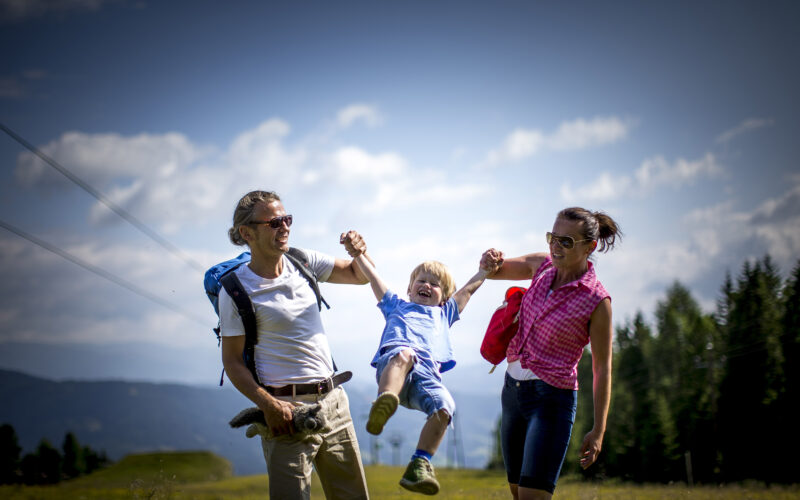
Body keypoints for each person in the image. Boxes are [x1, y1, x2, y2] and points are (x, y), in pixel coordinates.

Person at [218, 190, 372, 500]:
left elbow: (360, 276)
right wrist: (269, 406)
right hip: (285, 416)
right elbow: (232, 362)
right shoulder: (234, 290)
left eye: (287, 219)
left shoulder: (303, 261)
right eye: (274, 222)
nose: (284, 227)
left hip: (334, 403)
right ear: (247, 233)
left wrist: (359, 251)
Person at [345, 241, 503, 495]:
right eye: (421, 281)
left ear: (445, 298)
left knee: (445, 406)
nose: (427, 285)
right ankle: (384, 401)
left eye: (435, 284)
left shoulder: (445, 314)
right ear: (409, 289)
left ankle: (419, 464)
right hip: (394, 368)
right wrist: (358, 254)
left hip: (426, 378)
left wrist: (484, 270)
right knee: (405, 354)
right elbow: (373, 278)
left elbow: (468, 291)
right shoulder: (396, 305)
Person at [484, 207, 620, 500]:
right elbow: (493, 271)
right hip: (512, 393)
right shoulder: (542, 266)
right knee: (518, 494)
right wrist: (489, 260)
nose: (555, 247)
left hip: (551, 401)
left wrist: (598, 430)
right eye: (552, 238)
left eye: (566, 241)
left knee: (533, 497)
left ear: (590, 247)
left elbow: (602, 369)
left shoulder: (597, 300)